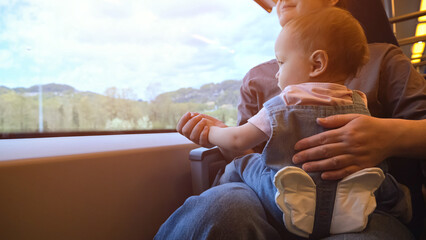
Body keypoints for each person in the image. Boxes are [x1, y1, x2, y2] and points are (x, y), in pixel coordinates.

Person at [158, 0, 426, 239]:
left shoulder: (386, 60)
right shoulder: (255, 77)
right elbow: (244, 150)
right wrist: (224, 136)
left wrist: (389, 136)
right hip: (271, 197)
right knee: (219, 210)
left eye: (282, 63)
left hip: (359, 204)